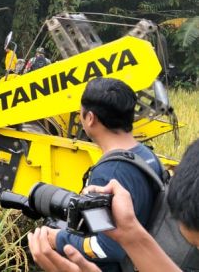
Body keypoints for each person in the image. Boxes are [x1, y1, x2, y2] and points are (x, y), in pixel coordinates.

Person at [36, 78, 165, 272]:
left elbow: (107, 247)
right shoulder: (147, 156)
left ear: (90, 118)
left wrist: (58, 239)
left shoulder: (108, 175)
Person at [29, 138, 199, 272]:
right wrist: (128, 231)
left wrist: (59, 240)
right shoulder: (145, 155)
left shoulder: (111, 170)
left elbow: (109, 250)